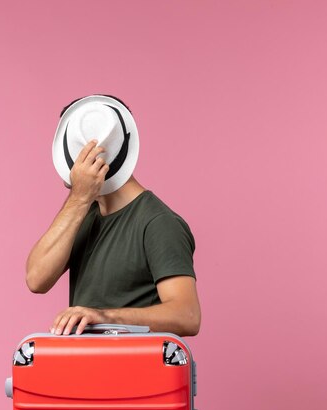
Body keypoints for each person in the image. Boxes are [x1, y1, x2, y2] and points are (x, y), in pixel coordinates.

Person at [25, 94, 201, 337]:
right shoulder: (83, 212)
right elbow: (36, 279)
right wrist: (79, 198)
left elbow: (187, 316)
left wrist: (104, 317)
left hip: (135, 372)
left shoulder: (158, 223)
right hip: (86, 370)